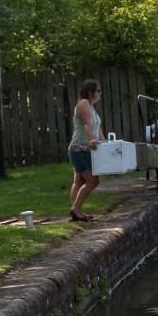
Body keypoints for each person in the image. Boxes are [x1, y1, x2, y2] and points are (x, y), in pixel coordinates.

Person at [68, 79, 104, 222]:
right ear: (90, 92)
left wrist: (106, 144)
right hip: (79, 149)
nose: (100, 93)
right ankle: (76, 209)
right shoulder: (83, 104)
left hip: (84, 150)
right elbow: (87, 125)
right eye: (98, 91)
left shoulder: (91, 107)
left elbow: (98, 129)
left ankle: (77, 211)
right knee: (93, 180)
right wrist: (91, 140)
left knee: (79, 181)